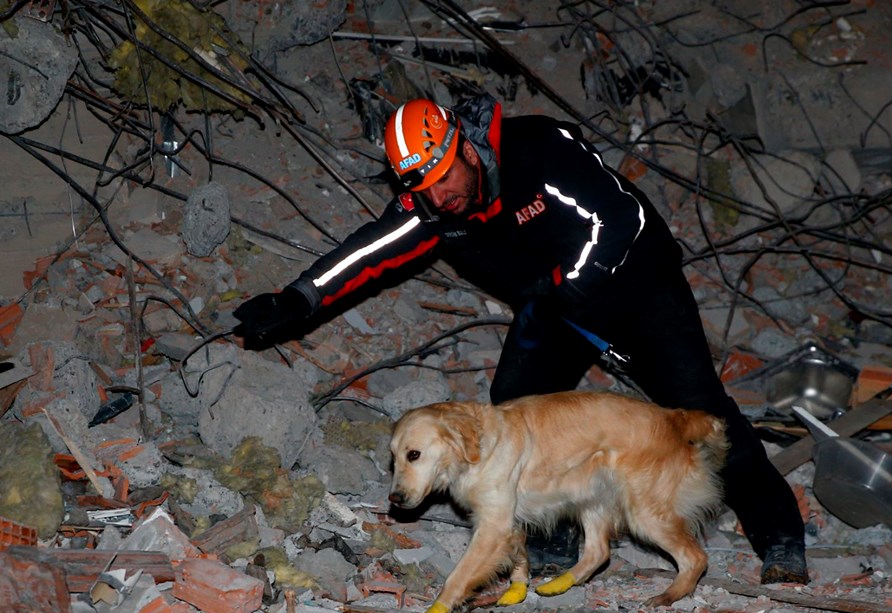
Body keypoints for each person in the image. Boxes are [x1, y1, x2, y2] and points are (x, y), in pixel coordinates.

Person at [233, 94, 809, 585]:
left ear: (462, 147)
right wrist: (297, 300)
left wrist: (570, 283)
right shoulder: (435, 208)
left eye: (443, 181)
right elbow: (369, 251)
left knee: (698, 408)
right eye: (423, 191)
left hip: (638, 282)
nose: (439, 199)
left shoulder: (537, 150)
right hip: (553, 300)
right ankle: (552, 537)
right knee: (515, 413)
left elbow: (620, 218)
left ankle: (779, 533)